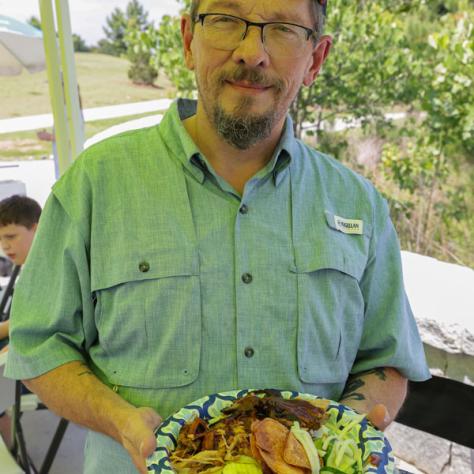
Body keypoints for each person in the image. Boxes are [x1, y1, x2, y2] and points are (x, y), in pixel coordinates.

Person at [5, 1, 430, 473]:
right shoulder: (93, 185)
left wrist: (336, 435)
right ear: (189, 40)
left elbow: (385, 361)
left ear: (316, 59)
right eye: (228, 20)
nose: (252, 52)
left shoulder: (358, 205)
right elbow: (40, 345)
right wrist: (119, 419)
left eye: (284, 29)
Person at [0, 194, 41, 447]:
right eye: (1, 239)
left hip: (32, 362)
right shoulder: (27, 266)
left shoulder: (45, 272)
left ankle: (10, 450)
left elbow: (38, 324)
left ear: (36, 229)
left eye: (11, 237)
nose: (5, 246)